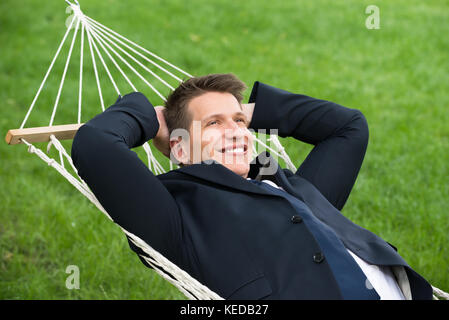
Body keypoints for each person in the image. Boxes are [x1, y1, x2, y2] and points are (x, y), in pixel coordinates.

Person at [71, 73, 432, 300]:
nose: (237, 132)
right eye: (214, 124)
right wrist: (150, 115)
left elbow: (349, 126)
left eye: (241, 122)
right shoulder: (177, 216)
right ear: (179, 147)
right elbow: (95, 145)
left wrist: (237, 112)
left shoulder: (296, 188)